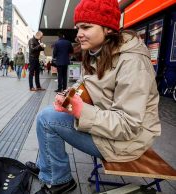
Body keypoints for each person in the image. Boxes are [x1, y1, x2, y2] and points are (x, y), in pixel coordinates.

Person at [25, 0, 161, 193]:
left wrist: (81, 110)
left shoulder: (133, 62)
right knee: (48, 114)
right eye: (78, 27)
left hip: (128, 142)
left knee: (47, 120)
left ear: (108, 28)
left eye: (86, 27)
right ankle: (48, 166)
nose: (79, 33)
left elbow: (129, 125)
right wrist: (68, 96)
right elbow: (86, 84)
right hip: (108, 128)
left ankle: (59, 180)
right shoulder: (97, 51)